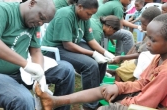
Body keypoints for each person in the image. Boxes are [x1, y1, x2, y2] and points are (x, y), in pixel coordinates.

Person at [35, 13, 167, 110]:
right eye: (147, 38)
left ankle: (91, 107)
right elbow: (141, 83)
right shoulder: (158, 58)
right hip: (142, 98)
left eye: (152, 40)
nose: (147, 44)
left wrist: (121, 102)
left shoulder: (165, 73)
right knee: (104, 89)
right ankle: (54, 101)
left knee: (104, 109)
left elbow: (145, 103)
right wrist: (119, 87)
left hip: (147, 105)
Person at [0, 0, 75, 110]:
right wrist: (26, 64)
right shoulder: (3, 10)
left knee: (66, 70)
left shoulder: (34, 22)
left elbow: (36, 51)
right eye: (41, 18)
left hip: (19, 72)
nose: (41, 23)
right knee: (24, 100)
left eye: (44, 22)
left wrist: (40, 75)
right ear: (31, 3)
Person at [41, 0, 117, 109]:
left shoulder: (84, 17)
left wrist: (104, 52)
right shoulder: (65, 14)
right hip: (55, 48)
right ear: (80, 7)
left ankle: (95, 94)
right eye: (89, 14)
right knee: (90, 65)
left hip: (72, 43)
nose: (90, 17)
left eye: (92, 14)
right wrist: (93, 53)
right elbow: (67, 45)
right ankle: (89, 106)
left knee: (102, 60)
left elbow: (90, 39)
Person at [109, 6, 161, 82]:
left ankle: (117, 88)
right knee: (124, 64)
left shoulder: (153, 37)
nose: (142, 26)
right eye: (141, 24)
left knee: (119, 71)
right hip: (140, 60)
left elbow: (140, 54)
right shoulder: (148, 33)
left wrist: (121, 57)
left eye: (144, 25)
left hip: (143, 63)